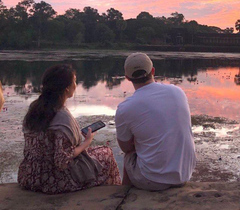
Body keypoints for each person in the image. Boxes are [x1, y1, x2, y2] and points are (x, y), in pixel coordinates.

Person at [18, 65, 121, 194]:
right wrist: (86, 142)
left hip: (30, 175)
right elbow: (61, 161)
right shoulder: (62, 117)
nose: (76, 85)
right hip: (53, 180)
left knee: (97, 152)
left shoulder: (34, 109)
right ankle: (112, 196)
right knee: (107, 154)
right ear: (67, 88)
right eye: (74, 81)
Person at [115, 53, 196, 190]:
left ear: (127, 78)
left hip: (152, 180)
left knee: (130, 156)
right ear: (153, 71)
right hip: (184, 174)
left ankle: (125, 195)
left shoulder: (125, 108)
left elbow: (126, 148)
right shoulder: (178, 92)